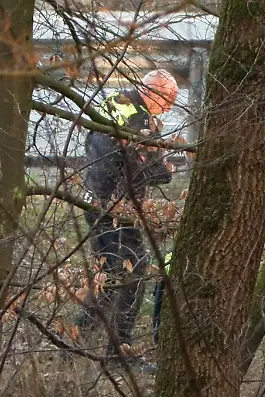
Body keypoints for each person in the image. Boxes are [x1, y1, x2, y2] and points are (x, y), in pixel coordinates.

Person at [80, 69, 179, 360]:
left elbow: (150, 167)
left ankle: (75, 338)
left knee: (111, 274)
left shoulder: (117, 104)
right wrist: (160, 168)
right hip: (116, 208)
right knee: (134, 270)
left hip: (97, 202)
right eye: (167, 101)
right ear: (153, 93)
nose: (168, 109)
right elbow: (152, 169)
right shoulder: (138, 118)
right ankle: (119, 349)